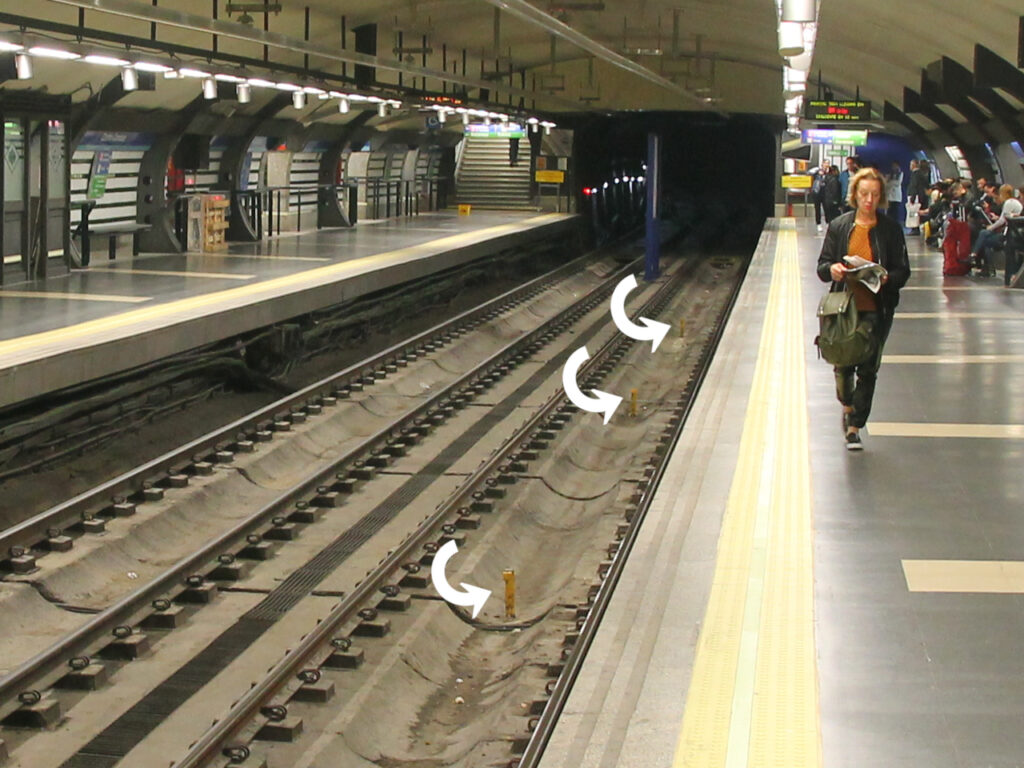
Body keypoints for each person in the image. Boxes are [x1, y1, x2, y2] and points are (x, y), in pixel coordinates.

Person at [817, 167, 911, 450]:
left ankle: (855, 426)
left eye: (874, 194)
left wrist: (886, 278)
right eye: (864, 194)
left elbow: (903, 271)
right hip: (844, 307)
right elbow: (822, 266)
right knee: (843, 363)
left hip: (877, 308)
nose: (869, 200)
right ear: (854, 195)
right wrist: (832, 269)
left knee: (869, 368)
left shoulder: (890, 230)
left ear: (881, 197)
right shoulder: (840, 226)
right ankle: (847, 403)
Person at [971, 184, 1023, 277]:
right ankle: (976, 257)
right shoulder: (1014, 202)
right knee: (984, 236)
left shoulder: (1009, 203)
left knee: (984, 237)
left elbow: (1003, 220)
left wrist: (991, 227)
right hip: (1012, 233)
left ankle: (975, 256)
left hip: (1010, 235)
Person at [810, 160, 831, 232]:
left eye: (828, 163)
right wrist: (817, 172)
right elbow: (809, 173)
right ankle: (818, 224)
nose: (827, 165)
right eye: (825, 163)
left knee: (827, 208)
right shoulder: (817, 170)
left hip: (826, 192)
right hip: (817, 192)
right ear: (822, 164)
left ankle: (828, 223)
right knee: (817, 208)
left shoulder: (829, 172)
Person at [886, 161, 903, 227]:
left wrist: (890, 182)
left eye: (895, 166)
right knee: (889, 212)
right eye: (893, 166)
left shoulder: (900, 174)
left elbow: (897, 183)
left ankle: (895, 225)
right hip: (890, 197)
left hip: (896, 197)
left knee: (895, 212)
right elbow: (887, 184)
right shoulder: (890, 175)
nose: (894, 167)